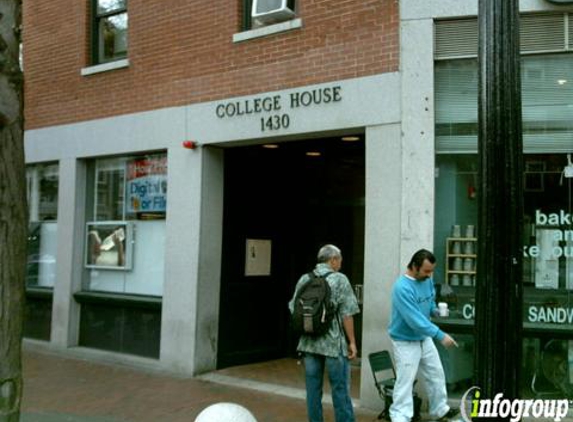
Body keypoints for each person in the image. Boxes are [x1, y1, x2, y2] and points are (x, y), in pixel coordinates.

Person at [288, 244, 360, 422]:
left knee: (312, 390)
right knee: (340, 389)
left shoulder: (305, 279)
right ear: (333, 260)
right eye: (340, 260)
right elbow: (347, 314)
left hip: (308, 343)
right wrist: (352, 342)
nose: (341, 263)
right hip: (333, 345)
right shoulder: (340, 279)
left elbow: (292, 307)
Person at [388, 249, 459, 422]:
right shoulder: (401, 288)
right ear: (414, 266)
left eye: (431, 270)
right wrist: (440, 335)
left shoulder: (427, 281)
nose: (429, 274)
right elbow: (414, 320)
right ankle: (400, 416)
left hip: (423, 338)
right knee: (405, 380)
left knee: (436, 373)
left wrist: (435, 311)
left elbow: (429, 303)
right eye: (426, 270)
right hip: (405, 340)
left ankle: (440, 410)